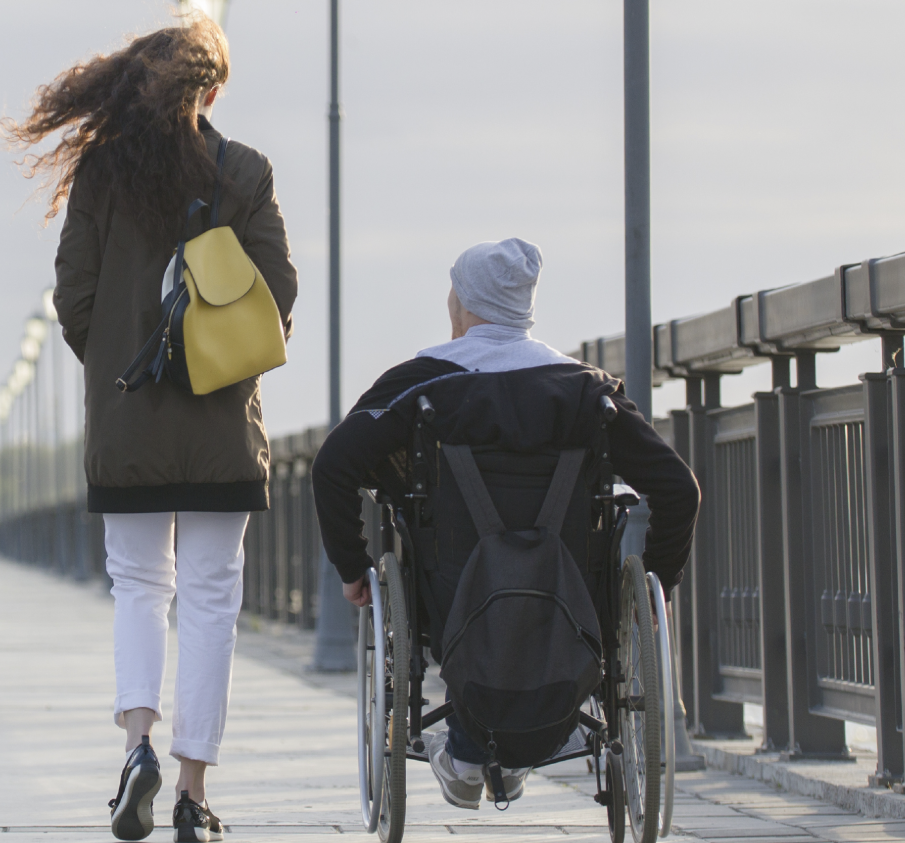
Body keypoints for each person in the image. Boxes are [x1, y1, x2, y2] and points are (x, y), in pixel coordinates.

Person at [2, 17, 298, 843]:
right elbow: (276, 291)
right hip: (219, 425)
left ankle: (137, 745)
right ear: (212, 92)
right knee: (210, 600)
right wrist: (212, 356)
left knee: (139, 589)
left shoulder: (102, 174)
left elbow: (74, 296)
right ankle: (194, 791)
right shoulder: (246, 171)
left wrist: (112, 368)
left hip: (128, 419)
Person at [311, 237, 699, 810]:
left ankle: (470, 751)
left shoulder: (419, 384)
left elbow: (333, 466)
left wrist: (352, 565)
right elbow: (678, 489)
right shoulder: (588, 392)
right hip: (571, 603)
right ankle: (528, 733)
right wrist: (659, 584)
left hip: (448, 602)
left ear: (464, 306)